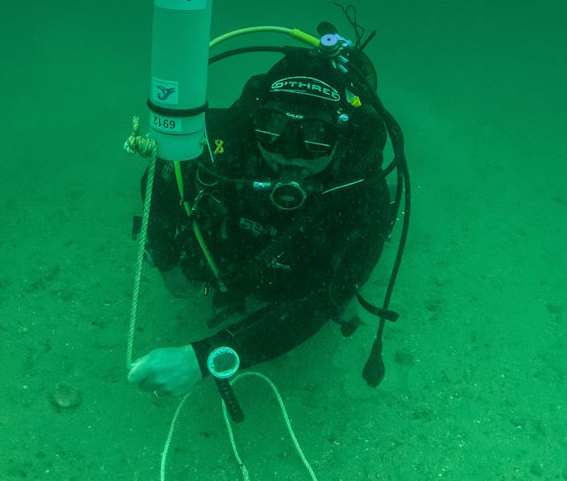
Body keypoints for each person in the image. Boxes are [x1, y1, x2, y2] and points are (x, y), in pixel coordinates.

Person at [128, 26, 406, 400]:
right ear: (255, 119)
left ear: (340, 137)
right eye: (273, 128)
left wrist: (203, 358)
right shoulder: (223, 143)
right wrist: (167, 265)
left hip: (301, 278)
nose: (289, 152)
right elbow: (158, 184)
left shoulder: (360, 190)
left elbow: (324, 300)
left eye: (315, 136)